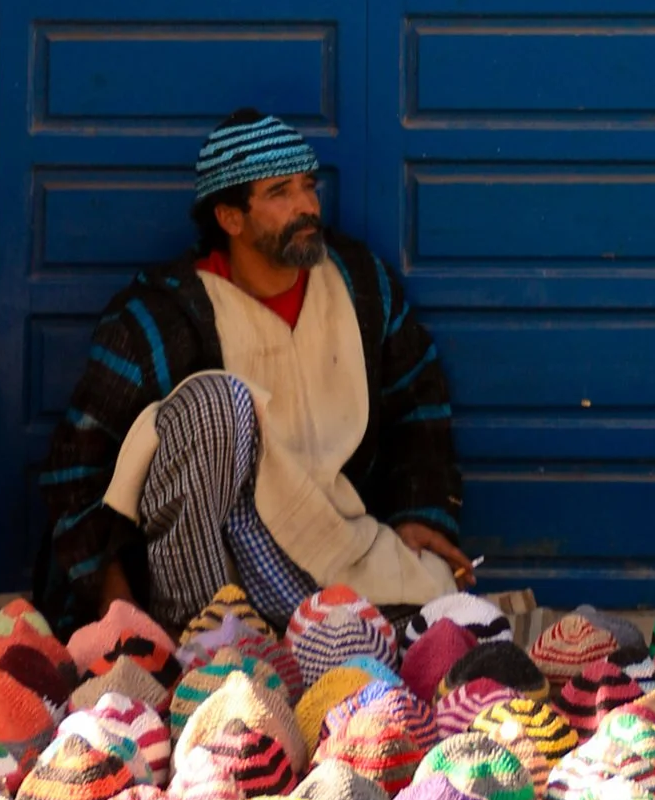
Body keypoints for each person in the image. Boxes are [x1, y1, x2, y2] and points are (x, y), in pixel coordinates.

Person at [35, 108, 470, 629]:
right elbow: (75, 468)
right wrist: (110, 592)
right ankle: (203, 638)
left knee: (448, 609)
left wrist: (419, 513)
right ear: (230, 218)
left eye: (308, 186)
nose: (307, 207)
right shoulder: (157, 318)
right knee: (217, 403)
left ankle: (309, 631)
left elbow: (419, 407)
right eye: (280, 193)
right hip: (208, 564)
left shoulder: (360, 286)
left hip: (336, 542)